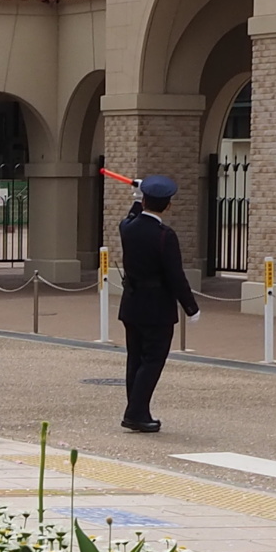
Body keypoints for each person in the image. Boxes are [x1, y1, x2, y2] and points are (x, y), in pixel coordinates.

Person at [118, 174, 200, 433]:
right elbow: (175, 275)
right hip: (157, 308)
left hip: (132, 304)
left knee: (135, 360)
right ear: (168, 205)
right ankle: (135, 413)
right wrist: (190, 306)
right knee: (152, 361)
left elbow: (130, 216)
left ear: (143, 200)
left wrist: (137, 197)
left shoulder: (128, 228)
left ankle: (137, 410)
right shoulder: (165, 236)